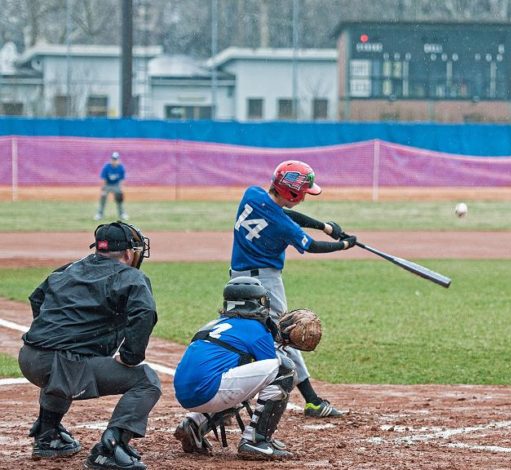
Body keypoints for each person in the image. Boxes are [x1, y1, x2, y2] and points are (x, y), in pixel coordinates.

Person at [18, 221, 159, 470]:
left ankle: (48, 434)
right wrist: (130, 356)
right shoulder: (131, 276)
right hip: (61, 365)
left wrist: (51, 335)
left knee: (65, 364)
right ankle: (110, 449)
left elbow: (37, 297)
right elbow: (145, 313)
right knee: (147, 380)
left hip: (29, 358)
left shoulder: (70, 268)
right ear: (128, 253)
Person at [230, 160, 355, 418]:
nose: (305, 198)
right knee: (286, 336)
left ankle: (226, 401)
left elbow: (283, 214)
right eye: (303, 193)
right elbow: (310, 246)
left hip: (235, 281)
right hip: (265, 284)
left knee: (239, 336)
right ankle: (312, 401)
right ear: (293, 193)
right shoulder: (282, 225)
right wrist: (343, 245)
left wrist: (325, 226)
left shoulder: (251, 194)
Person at [173, 277, 323, 460]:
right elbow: (273, 372)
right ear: (255, 303)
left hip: (186, 392)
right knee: (285, 369)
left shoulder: (215, 324)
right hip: (208, 391)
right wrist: (282, 341)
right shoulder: (256, 329)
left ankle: (194, 424)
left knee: (242, 379)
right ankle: (256, 440)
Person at [95, 151, 128, 221]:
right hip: (108, 184)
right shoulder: (106, 167)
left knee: (119, 198)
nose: (114, 161)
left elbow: (122, 179)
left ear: (118, 160)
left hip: (116, 185)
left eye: (116, 159)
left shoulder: (121, 167)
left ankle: (122, 214)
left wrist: (120, 189)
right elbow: (104, 179)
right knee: (103, 198)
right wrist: (103, 190)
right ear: (111, 159)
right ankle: (100, 214)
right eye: (113, 159)